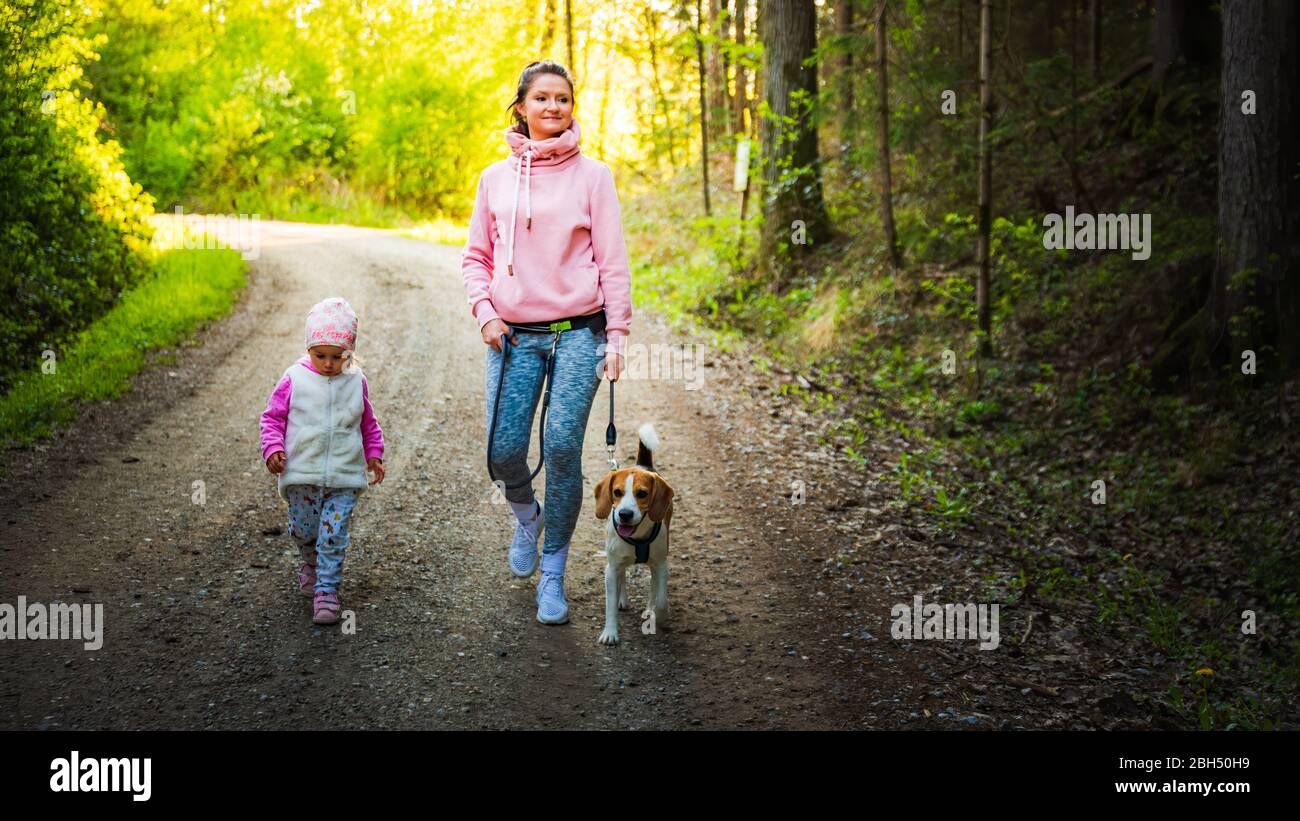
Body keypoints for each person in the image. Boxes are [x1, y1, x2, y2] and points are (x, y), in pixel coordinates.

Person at [461, 60, 632, 625]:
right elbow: (476, 258)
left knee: (562, 448)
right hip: (512, 338)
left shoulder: (594, 176)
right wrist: (486, 312)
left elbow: (612, 262)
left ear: (570, 107)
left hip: (579, 333)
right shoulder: (495, 178)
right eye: (541, 98)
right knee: (503, 450)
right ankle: (525, 516)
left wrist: (618, 336)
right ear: (522, 106)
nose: (553, 108)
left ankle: (553, 571)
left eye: (562, 99)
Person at [259, 297, 386, 625]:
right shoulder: (294, 379)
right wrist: (272, 449)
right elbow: (272, 418)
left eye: (338, 356)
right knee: (304, 530)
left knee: (334, 532)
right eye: (320, 356)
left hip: (344, 475)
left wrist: (374, 455)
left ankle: (327, 591)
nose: (329, 364)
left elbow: (367, 422)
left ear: (351, 350)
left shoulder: (356, 381)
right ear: (309, 348)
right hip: (302, 473)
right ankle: (311, 564)